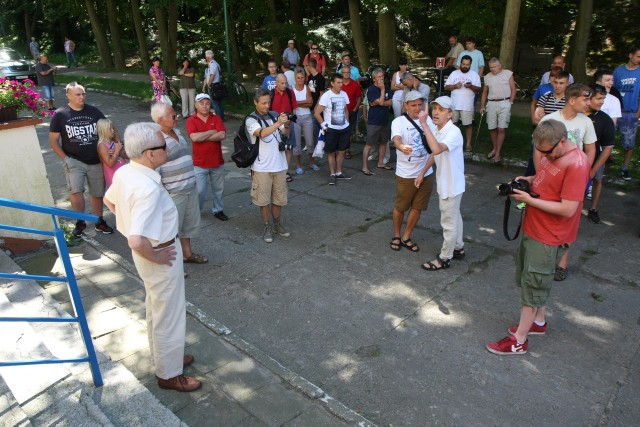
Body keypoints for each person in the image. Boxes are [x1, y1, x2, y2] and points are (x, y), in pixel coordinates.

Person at [104, 122, 202, 392]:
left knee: (157, 310)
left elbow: (110, 201)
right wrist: (157, 255)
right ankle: (169, 374)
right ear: (149, 153)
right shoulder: (146, 187)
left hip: (151, 252)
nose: (167, 148)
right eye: (163, 145)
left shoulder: (126, 172)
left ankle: (166, 357)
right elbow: (136, 239)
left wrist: (129, 227)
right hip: (159, 253)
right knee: (168, 314)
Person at [486, 119, 589, 355]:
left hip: (550, 235)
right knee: (531, 280)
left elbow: (568, 209)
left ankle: (519, 341)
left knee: (533, 286)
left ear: (563, 141)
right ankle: (538, 323)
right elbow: (543, 181)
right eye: (540, 151)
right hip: (535, 227)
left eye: (548, 152)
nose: (545, 156)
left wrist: (528, 200)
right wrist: (525, 183)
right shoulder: (550, 152)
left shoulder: (577, 164)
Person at [539, 83, 596, 281]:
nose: (589, 103)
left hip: (573, 178)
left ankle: (562, 263)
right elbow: (538, 149)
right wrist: (540, 174)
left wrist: (584, 174)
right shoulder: (550, 119)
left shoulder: (586, 122)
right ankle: (543, 256)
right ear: (572, 100)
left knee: (569, 221)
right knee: (546, 216)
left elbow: (590, 150)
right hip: (551, 176)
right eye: (585, 99)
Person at [49, 82, 114, 236]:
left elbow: (108, 128)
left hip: (96, 160)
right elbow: (53, 141)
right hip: (74, 161)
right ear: (68, 95)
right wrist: (66, 159)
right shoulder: (60, 114)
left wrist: (117, 146)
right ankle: (80, 221)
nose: (82, 97)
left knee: (97, 193)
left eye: (83, 93)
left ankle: (99, 221)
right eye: (78, 94)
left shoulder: (94, 111)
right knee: (75, 192)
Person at [151, 102, 209, 271]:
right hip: (174, 193)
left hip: (190, 188)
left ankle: (187, 255)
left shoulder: (176, 132)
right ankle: (171, 267)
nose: (177, 118)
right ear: (161, 119)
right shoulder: (156, 140)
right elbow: (156, 171)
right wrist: (163, 195)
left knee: (188, 227)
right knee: (170, 231)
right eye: (173, 116)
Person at [418, 96, 466, 271]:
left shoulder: (453, 132)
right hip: (448, 183)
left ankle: (445, 257)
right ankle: (458, 247)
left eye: (441, 109)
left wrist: (424, 125)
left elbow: (437, 149)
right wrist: (423, 172)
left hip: (451, 185)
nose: (436, 112)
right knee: (455, 217)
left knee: (448, 223)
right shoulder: (439, 130)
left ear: (450, 114)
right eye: (434, 108)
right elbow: (434, 153)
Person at [389, 91, 435, 252]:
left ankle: (406, 236)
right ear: (405, 106)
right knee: (401, 207)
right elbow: (396, 139)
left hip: (426, 172)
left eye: (419, 105)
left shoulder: (427, 119)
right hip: (406, 174)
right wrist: (401, 147)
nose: (417, 108)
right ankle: (396, 234)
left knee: (418, 207)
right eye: (413, 105)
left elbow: (434, 143)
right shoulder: (398, 122)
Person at [245, 88, 291, 243]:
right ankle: (267, 226)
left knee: (279, 199)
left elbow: (284, 134)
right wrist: (278, 122)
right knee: (263, 200)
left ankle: (277, 225)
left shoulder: (274, 115)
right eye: (263, 103)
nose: (266, 106)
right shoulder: (250, 120)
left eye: (268, 102)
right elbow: (262, 133)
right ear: (255, 102)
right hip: (261, 167)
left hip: (279, 165)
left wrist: (287, 125)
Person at [185, 93, 228, 221]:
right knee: (199, 191)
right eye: (201, 103)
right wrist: (210, 132)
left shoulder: (216, 119)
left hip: (217, 162)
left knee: (219, 189)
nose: (204, 106)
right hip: (199, 163)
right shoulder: (191, 120)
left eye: (207, 103)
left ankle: (218, 210)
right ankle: (196, 211)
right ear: (196, 105)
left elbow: (222, 135)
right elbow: (194, 137)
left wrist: (202, 136)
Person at [585, 84, 616, 224]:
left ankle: (593, 209)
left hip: (596, 158)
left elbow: (608, 147)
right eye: (598, 98)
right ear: (588, 98)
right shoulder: (576, 114)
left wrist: (594, 169)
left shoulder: (605, 120)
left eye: (603, 98)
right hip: (573, 159)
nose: (602, 102)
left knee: (597, 179)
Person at [314, 73, 351, 185]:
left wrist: (347, 123)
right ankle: (332, 174)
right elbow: (317, 113)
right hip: (331, 129)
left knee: (342, 151)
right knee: (330, 152)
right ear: (332, 83)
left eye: (342, 82)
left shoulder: (344, 94)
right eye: (338, 83)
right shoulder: (326, 95)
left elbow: (346, 109)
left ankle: (339, 172)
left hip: (344, 128)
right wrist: (325, 126)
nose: (341, 85)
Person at [479, 58, 516, 162]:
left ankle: (498, 152)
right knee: (492, 128)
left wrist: (510, 102)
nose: (492, 69)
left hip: (505, 102)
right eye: (490, 67)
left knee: (502, 128)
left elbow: (513, 89)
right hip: (491, 103)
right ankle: (494, 149)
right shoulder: (487, 77)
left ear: (500, 66)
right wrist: (482, 106)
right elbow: (485, 92)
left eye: (494, 67)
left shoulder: (508, 73)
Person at [613, 45, 640, 180]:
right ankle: (606, 159)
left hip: (631, 112)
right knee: (607, 137)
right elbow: (612, 90)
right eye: (638, 56)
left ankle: (625, 167)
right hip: (615, 111)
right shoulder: (618, 71)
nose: (639, 59)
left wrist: (637, 113)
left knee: (629, 143)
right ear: (630, 55)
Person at [445, 55, 481, 151]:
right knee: (454, 124)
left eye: (467, 65)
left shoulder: (474, 74)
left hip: (467, 105)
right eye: (463, 64)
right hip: (454, 104)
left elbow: (478, 89)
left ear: (470, 65)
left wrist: (471, 86)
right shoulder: (454, 73)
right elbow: (446, 87)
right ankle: (452, 142)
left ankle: (468, 144)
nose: (465, 66)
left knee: (468, 124)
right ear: (460, 63)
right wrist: (455, 86)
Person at [362, 68, 392, 175]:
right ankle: (365, 167)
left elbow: (389, 102)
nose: (381, 78)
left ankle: (381, 163)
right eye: (379, 77)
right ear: (374, 79)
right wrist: (382, 90)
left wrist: (381, 102)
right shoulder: (371, 90)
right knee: (369, 144)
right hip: (374, 122)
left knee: (383, 142)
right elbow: (381, 102)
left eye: (382, 76)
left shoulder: (388, 87)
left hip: (384, 120)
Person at [271, 74, 298, 181]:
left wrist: (292, 121)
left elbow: (294, 109)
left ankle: (285, 172)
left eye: (285, 82)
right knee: (276, 149)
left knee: (288, 148)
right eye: (282, 83)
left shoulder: (290, 93)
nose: (284, 85)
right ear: (276, 83)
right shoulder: (271, 94)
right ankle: (276, 172)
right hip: (276, 125)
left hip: (288, 124)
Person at [292, 67, 318, 171]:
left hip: (307, 117)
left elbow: (310, 103)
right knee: (297, 143)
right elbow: (292, 104)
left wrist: (297, 103)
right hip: (296, 118)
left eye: (302, 77)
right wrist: (304, 102)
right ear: (295, 78)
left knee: (310, 142)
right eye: (298, 78)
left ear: (305, 78)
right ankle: (299, 166)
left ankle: (312, 162)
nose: (300, 79)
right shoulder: (291, 89)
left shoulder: (307, 88)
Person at [340, 65, 363, 160]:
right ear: (341, 73)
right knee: (340, 131)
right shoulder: (338, 84)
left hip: (351, 111)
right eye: (344, 72)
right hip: (340, 112)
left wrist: (356, 108)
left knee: (349, 132)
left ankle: (347, 149)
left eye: (348, 72)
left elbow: (359, 97)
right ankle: (340, 149)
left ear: (350, 73)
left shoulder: (355, 84)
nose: (346, 74)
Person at [96, 118, 126, 189]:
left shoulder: (114, 141)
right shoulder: (102, 145)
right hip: (113, 175)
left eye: (113, 128)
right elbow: (110, 163)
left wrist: (120, 150)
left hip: (123, 172)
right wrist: (117, 151)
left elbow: (127, 156)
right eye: (110, 129)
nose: (113, 130)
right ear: (103, 131)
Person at [306, 57, 326, 144]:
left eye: (307, 66)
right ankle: (319, 142)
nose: (306, 67)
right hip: (311, 105)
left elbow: (322, 94)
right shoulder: (309, 77)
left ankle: (323, 141)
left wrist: (317, 106)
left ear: (310, 66)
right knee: (314, 125)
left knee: (320, 124)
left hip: (318, 106)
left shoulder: (320, 78)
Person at [203, 50, 224, 119]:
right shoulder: (216, 64)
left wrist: (208, 85)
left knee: (215, 103)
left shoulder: (212, 64)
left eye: (206, 57)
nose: (205, 58)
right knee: (219, 102)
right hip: (217, 85)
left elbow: (212, 76)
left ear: (208, 57)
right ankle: (221, 117)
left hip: (214, 85)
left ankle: (219, 118)